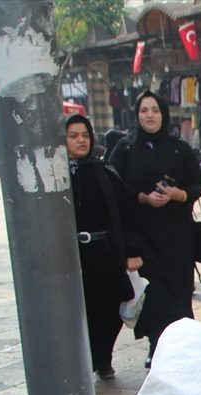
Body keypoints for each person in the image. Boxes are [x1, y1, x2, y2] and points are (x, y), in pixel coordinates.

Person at [108, 91, 201, 368]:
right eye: (144, 110)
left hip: (177, 238)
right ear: (136, 115)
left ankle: (182, 345)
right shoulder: (126, 149)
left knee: (179, 293)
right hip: (143, 237)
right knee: (154, 296)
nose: (150, 115)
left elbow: (197, 184)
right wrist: (142, 197)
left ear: (164, 114)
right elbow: (115, 191)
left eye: (155, 110)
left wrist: (179, 195)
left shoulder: (178, 148)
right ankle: (157, 345)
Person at [65, 114, 143, 380]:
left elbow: (126, 212)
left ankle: (103, 356)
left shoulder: (104, 171)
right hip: (72, 257)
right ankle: (87, 359)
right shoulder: (57, 176)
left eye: (85, 135)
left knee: (110, 309)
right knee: (79, 311)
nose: (80, 141)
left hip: (105, 252)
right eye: (73, 136)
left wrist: (132, 251)